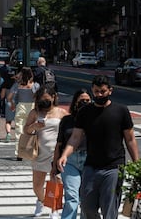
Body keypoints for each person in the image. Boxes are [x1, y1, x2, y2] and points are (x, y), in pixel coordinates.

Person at [58, 75, 139, 219]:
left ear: (110, 91)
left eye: (102, 91)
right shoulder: (85, 112)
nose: (99, 95)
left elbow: (130, 139)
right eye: (96, 92)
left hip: (114, 166)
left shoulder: (121, 111)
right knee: (87, 207)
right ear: (92, 91)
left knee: (109, 208)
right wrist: (64, 155)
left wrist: (137, 164)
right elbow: (75, 138)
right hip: (91, 165)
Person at [24, 86, 68, 218]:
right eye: (42, 100)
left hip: (56, 152)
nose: (45, 103)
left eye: (47, 99)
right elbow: (26, 130)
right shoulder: (35, 113)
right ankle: (42, 200)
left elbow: (70, 130)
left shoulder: (61, 112)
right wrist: (34, 126)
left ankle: (54, 209)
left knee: (56, 182)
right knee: (37, 185)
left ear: (53, 98)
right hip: (39, 152)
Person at [51, 88, 92, 219]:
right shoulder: (67, 120)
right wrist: (54, 167)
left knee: (86, 198)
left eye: (87, 101)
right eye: (81, 101)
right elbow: (59, 144)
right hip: (69, 160)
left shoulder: (95, 119)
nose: (85, 103)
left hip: (89, 159)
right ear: (75, 102)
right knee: (72, 196)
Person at [7, 67, 40, 160]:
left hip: (21, 106)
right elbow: (38, 97)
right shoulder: (35, 85)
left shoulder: (17, 85)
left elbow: (9, 97)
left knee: (19, 130)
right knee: (33, 130)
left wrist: (12, 105)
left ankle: (19, 153)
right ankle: (33, 150)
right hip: (32, 107)